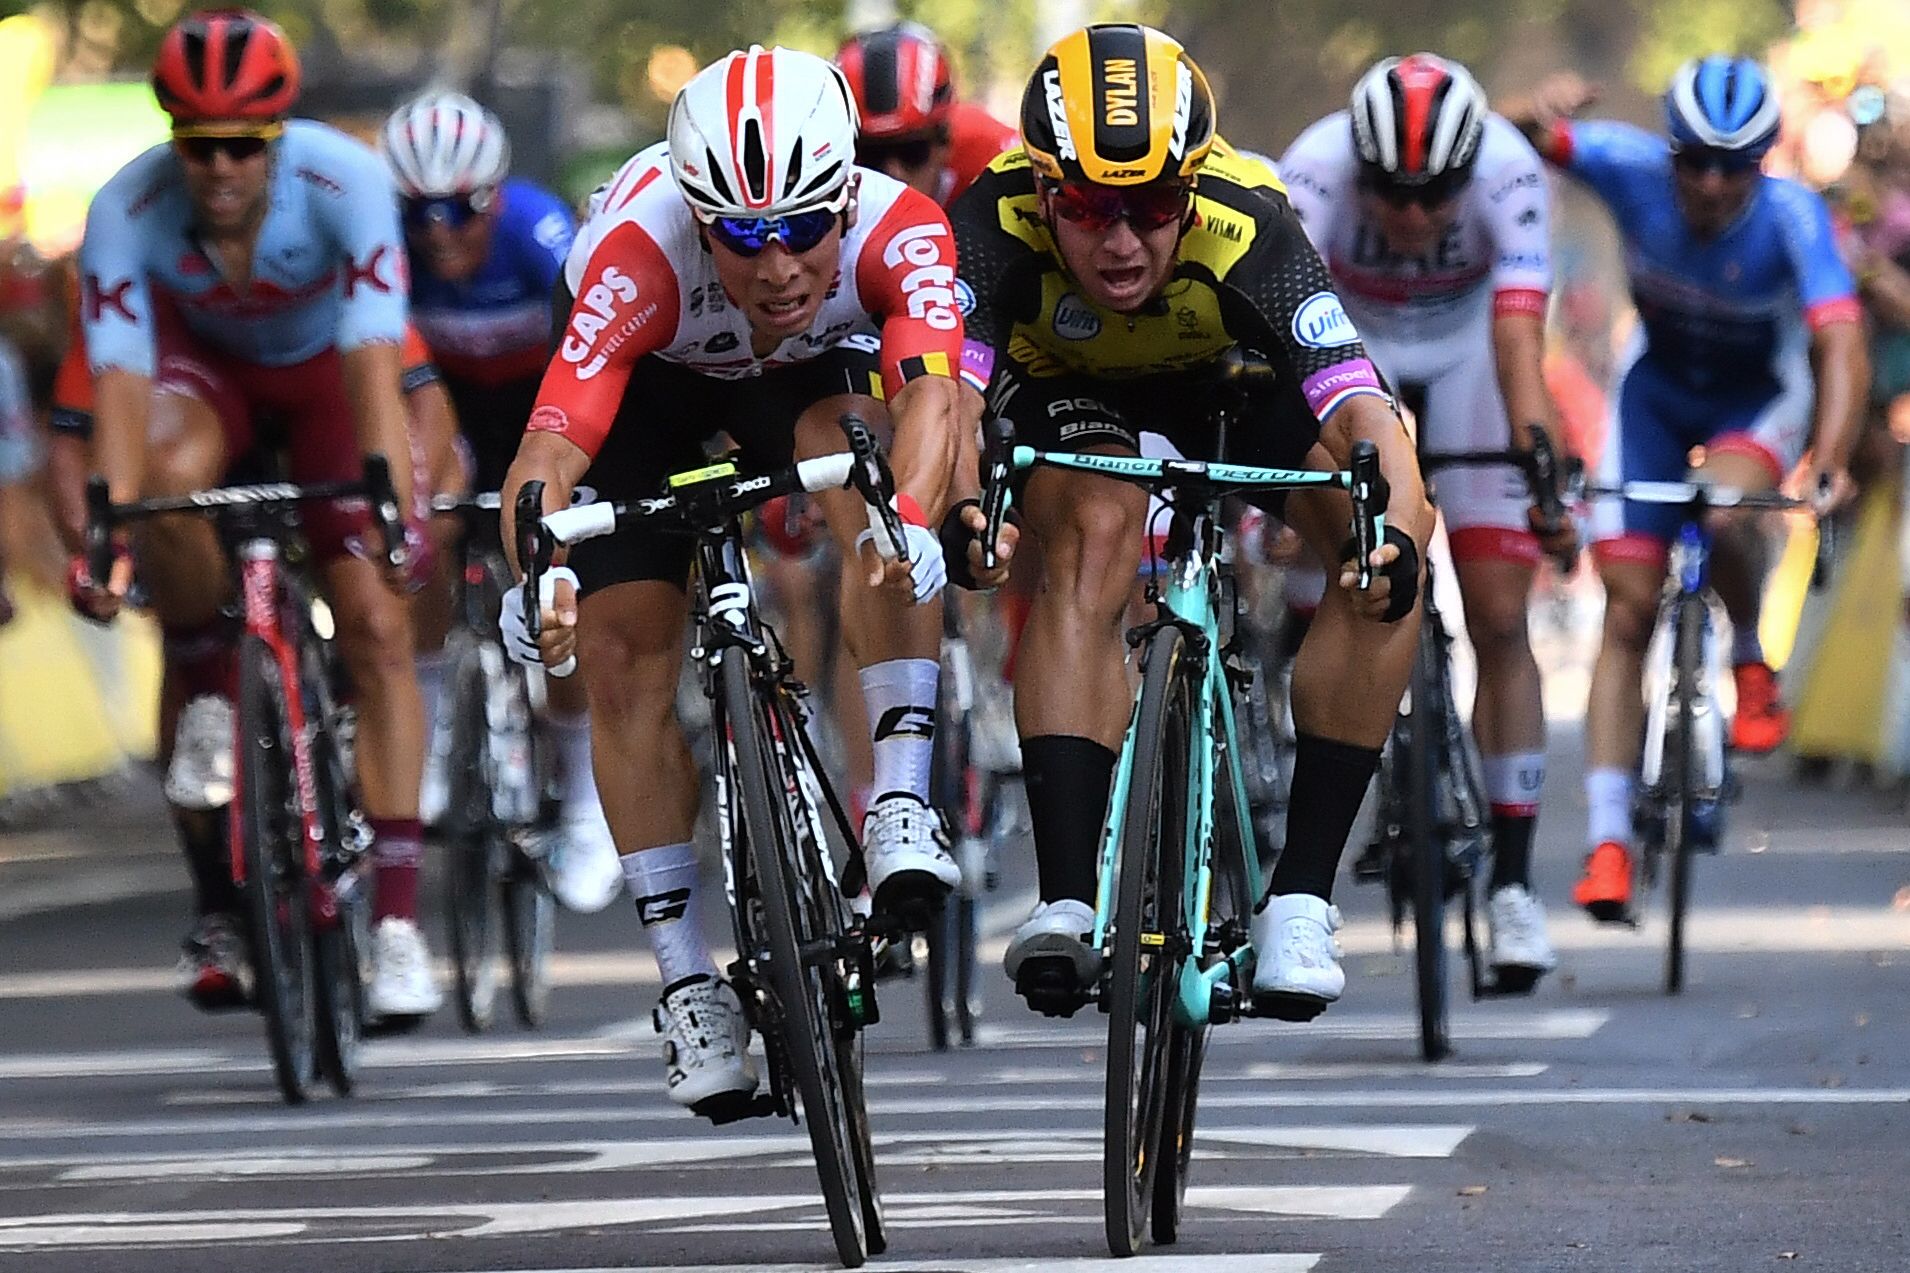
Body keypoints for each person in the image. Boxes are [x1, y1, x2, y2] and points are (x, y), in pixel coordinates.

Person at [497, 45, 973, 1114]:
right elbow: (551, 449)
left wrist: (907, 517)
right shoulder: (637, 254)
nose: (777, 265)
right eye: (744, 236)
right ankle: (681, 980)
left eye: (806, 226)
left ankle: (897, 796)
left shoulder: (904, 231)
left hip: (806, 382)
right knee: (620, 652)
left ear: (846, 197)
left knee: (865, 461)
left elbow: (935, 403)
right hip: (652, 395)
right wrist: (533, 569)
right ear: (696, 217)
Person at [949, 23, 1431, 1019]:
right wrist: (960, 504)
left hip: (1228, 379)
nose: (1121, 242)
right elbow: (947, 402)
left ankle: (1298, 900)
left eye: (1152, 208)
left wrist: (1388, 519)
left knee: (1392, 538)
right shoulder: (988, 220)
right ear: (1041, 190)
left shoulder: (1246, 220)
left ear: (1191, 188)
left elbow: (1356, 402)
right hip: (1069, 392)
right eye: (1084, 209)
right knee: (1094, 528)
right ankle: (1069, 899)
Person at [69, 9, 443, 1018]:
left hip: (326, 376)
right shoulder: (125, 206)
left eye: (243, 145)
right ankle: (203, 680)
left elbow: (373, 357)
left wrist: (388, 507)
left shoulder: (346, 182)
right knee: (164, 474)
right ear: (172, 142)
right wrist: (107, 535)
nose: (221, 167)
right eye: (198, 146)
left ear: (276, 138)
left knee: (373, 621)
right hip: (209, 380)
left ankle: (398, 925)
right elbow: (118, 380)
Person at [1506, 55, 1867, 920]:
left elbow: (1842, 345)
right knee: (1626, 609)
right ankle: (1605, 844)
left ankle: (1748, 659)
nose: (1709, 184)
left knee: (1729, 506)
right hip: (1656, 393)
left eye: (1733, 166)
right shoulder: (1626, 167)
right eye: (1693, 161)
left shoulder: (1792, 216)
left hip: (1757, 397)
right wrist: (1536, 101)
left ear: (1763, 163)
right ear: (1668, 152)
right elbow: (1493, 134)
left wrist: (1832, 455)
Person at [1277, 53, 1570, 984]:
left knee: (1497, 614)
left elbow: (1520, 335)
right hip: (1351, 349)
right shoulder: (1313, 166)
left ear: (1469, 167)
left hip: (1471, 353)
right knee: (1323, 545)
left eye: (1433, 193)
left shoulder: (1510, 168)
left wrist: (1540, 470)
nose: (1410, 216)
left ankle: (1516, 887)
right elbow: (1280, 326)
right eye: (1389, 193)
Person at [380, 91, 622, 913]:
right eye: (421, 213)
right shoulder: (392, 252)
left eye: (460, 209)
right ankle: (439, 721)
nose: (440, 231)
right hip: (449, 408)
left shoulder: (537, 233)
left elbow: (586, 358)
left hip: (539, 402)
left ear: (496, 191)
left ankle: (586, 810)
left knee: (562, 586)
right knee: (425, 524)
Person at [836, 23, 1018, 207]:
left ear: (945, 141)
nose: (894, 174)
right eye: (870, 156)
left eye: (912, 152)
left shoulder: (991, 151)